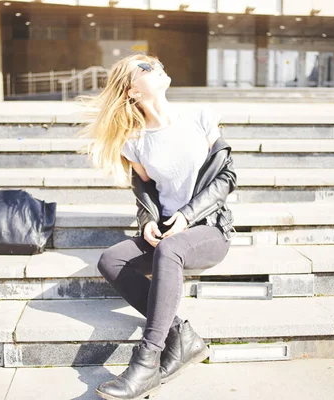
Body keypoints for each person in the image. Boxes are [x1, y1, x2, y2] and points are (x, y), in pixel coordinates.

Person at [76, 53, 237, 400]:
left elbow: (226, 177)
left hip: (208, 229)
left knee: (171, 248)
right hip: (167, 233)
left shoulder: (200, 117)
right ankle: (182, 335)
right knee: (110, 260)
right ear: (133, 90)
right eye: (146, 67)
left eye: (156, 61)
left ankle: (147, 360)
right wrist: (148, 220)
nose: (157, 64)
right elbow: (144, 189)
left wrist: (189, 215)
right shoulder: (135, 140)